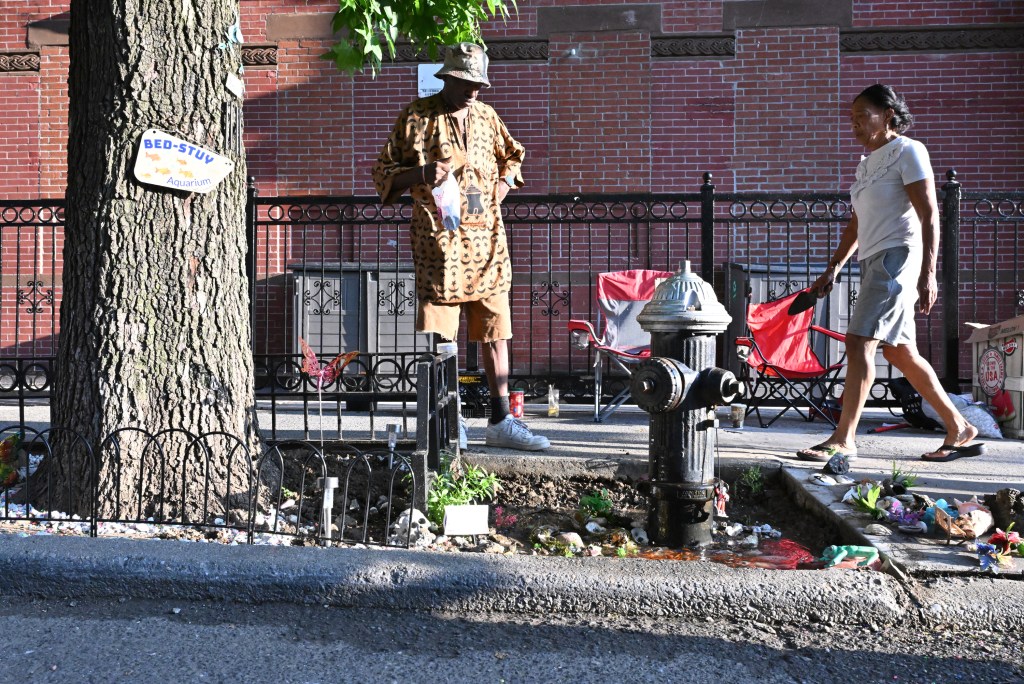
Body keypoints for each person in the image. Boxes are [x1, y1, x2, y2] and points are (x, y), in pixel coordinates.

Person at [372, 42, 549, 451]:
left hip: (487, 240)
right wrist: (419, 172)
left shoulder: (487, 116)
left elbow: (514, 156)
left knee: (495, 330)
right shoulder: (416, 118)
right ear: (447, 78)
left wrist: (502, 187)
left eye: (480, 83)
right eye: (467, 82)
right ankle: (451, 421)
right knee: (443, 336)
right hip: (440, 244)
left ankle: (502, 420)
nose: (474, 90)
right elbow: (383, 172)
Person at [797, 84, 984, 464]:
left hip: (898, 258)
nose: (855, 125)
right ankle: (959, 427)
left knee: (858, 340)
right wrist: (832, 267)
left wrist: (928, 273)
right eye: (852, 118)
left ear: (888, 115)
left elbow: (930, 213)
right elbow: (856, 225)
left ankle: (844, 437)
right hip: (873, 259)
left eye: (863, 116)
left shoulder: (909, 151)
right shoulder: (866, 165)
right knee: (900, 352)